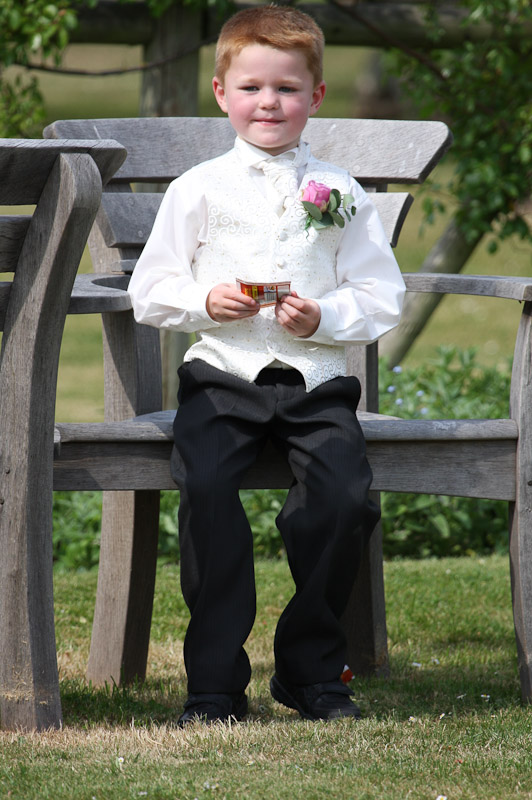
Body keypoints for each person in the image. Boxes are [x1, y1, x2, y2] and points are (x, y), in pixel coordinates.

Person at [128, 4, 405, 725]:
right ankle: (215, 686)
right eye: (251, 87)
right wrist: (202, 300)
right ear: (222, 93)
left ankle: (311, 672)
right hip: (222, 378)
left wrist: (326, 317)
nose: (269, 103)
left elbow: (381, 294)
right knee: (206, 491)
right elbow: (150, 289)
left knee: (343, 499)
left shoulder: (339, 191)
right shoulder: (197, 188)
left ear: (316, 96)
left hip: (316, 384)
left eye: (286, 88)